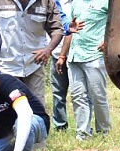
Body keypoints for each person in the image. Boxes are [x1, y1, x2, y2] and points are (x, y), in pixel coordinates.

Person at [54, 0, 110, 141]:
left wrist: (109, 40)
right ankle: (83, 133)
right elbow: (70, 31)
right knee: (78, 96)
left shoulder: (106, 2)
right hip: (74, 57)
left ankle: (104, 132)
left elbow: (118, 24)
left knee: (98, 96)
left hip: (94, 55)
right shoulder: (76, 3)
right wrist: (62, 56)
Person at [0, 0, 64, 109]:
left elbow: (57, 29)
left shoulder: (46, 2)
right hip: (6, 65)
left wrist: (48, 49)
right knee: (9, 109)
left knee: (37, 108)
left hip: (34, 64)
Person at [50, 0, 73, 130]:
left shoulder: (78, 3)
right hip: (56, 54)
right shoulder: (51, 2)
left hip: (76, 56)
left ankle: (83, 127)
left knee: (80, 94)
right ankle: (60, 125)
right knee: (57, 92)